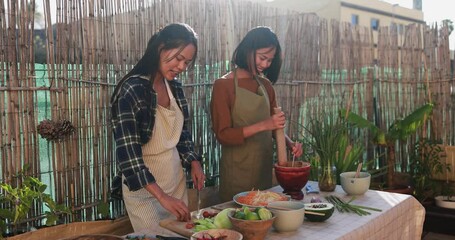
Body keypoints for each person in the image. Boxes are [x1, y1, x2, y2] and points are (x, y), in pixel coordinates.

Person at [110, 23, 205, 231]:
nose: (181, 67)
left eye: (187, 62)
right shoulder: (132, 90)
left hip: (175, 184)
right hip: (146, 193)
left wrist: (194, 162)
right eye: (178, 58)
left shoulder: (175, 88)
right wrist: (162, 196)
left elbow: (182, 134)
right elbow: (129, 157)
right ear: (160, 48)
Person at [210, 26, 303, 202]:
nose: (265, 65)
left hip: (263, 170)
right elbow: (223, 135)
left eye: (270, 60)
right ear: (248, 50)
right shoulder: (223, 85)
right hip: (237, 173)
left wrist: (290, 144)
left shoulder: (266, 85)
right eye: (262, 58)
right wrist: (264, 125)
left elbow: (275, 125)